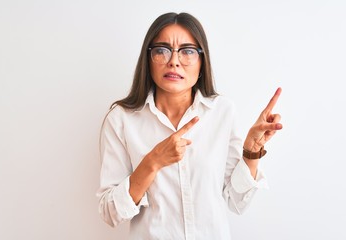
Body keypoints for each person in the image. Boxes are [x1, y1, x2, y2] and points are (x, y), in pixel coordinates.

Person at [97, 12, 282, 240]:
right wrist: (152, 161)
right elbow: (110, 212)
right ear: (148, 58)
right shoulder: (121, 120)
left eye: (187, 51)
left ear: (202, 62)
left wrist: (252, 153)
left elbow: (236, 201)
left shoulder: (221, 112)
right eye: (162, 50)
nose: (174, 61)